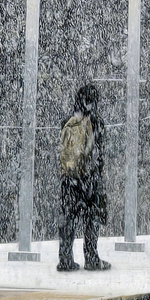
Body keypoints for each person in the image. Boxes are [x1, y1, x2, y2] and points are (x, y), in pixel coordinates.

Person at [57, 83, 110, 271]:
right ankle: (91, 257)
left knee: (68, 218)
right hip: (89, 179)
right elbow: (100, 155)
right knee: (91, 217)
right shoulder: (97, 123)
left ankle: (65, 259)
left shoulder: (67, 122)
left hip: (68, 179)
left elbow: (62, 152)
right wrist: (96, 176)